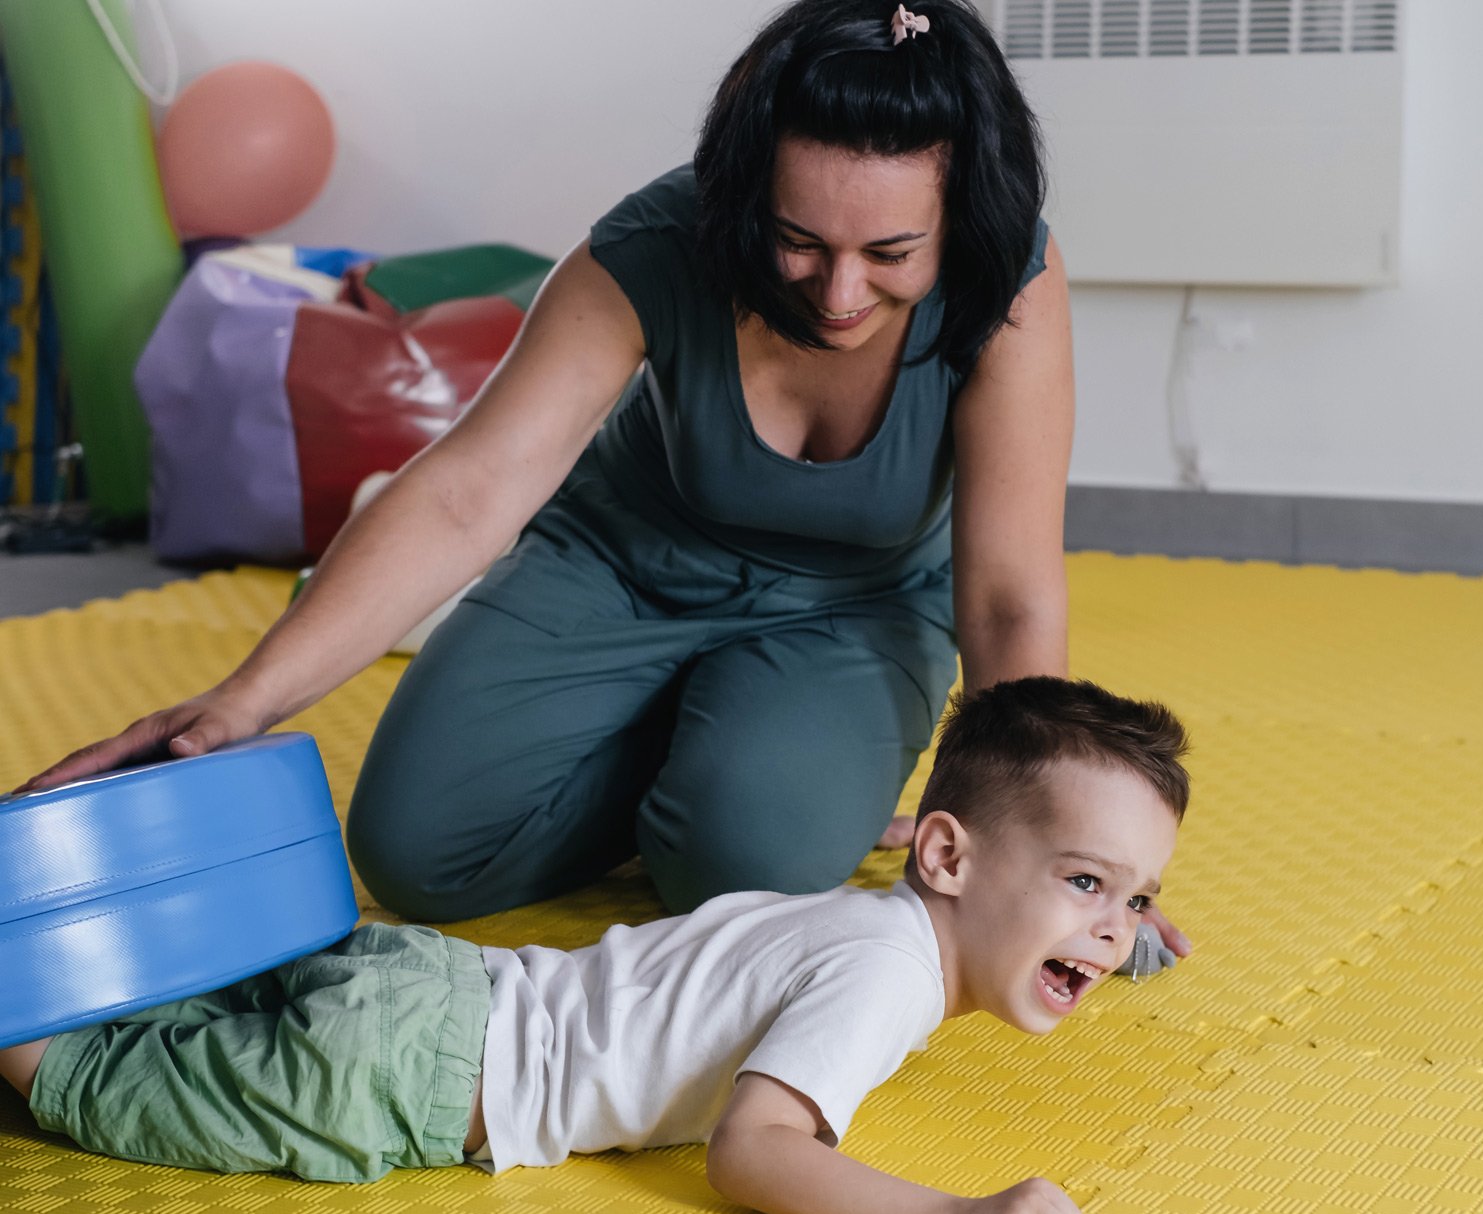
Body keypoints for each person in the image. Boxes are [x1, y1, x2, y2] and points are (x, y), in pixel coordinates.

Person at [14, 0, 1187, 959]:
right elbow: (469, 489)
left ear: (954, 217)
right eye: (797, 241)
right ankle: (701, 740)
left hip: (857, 605)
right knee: (418, 856)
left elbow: (1007, 597)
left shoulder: (1010, 280)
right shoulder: (653, 245)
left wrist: (1051, 857)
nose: (836, 292)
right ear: (743, 196)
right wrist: (239, 703)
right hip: (622, 563)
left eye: (888, 255)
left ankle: (747, 764)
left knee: (744, 870)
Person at [0, 677, 1190, 1214]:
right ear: (943, 852)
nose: (1109, 929)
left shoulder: (867, 914)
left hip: (435, 979)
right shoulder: (885, 981)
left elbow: (1033, 906)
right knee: (87, 1074)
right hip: (417, 1076)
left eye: (1131, 898)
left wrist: (1109, 921)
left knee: (157, 984)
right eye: (1088, 886)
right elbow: (757, 1149)